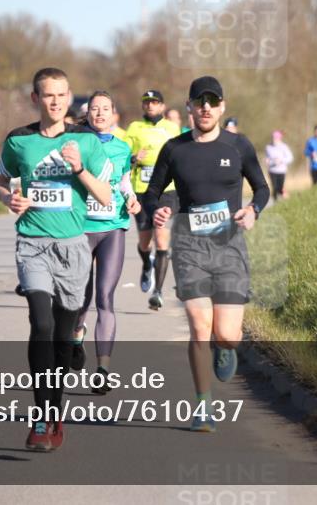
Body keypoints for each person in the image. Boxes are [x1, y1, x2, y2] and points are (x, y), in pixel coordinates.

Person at [0, 67, 112, 452]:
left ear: (69, 97)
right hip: (32, 244)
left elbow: (107, 198)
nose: (56, 101)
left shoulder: (85, 141)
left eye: (61, 95)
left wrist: (78, 168)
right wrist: (8, 198)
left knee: (63, 336)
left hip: (73, 247)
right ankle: (41, 416)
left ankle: (55, 412)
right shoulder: (19, 141)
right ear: (35, 99)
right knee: (40, 323)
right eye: (48, 95)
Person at [146, 76, 270, 432]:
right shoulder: (174, 149)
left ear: (222, 107)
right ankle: (203, 406)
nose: (205, 108)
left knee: (227, 334)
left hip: (229, 245)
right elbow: (153, 191)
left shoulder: (238, 146)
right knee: (200, 329)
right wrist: (157, 209)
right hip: (190, 244)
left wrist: (253, 210)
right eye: (199, 102)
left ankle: (225, 346)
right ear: (188, 106)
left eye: (212, 102)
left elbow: (261, 187)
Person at [71, 92, 142, 392]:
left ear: (114, 114)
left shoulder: (123, 148)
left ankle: (103, 369)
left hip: (113, 226)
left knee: (105, 298)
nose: (99, 113)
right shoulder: (75, 143)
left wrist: (132, 197)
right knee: (80, 299)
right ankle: (76, 334)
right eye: (94, 109)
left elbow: (124, 180)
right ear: (87, 114)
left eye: (105, 109)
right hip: (82, 228)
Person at [124, 89, 181, 309]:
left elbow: (181, 156)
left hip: (167, 191)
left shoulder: (172, 128)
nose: (150, 105)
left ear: (162, 106)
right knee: (145, 242)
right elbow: (123, 158)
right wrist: (133, 158)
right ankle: (146, 265)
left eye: (155, 102)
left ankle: (157, 292)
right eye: (146, 102)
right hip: (142, 190)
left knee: (162, 238)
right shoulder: (134, 128)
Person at [264, 130, 293, 202]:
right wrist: (268, 161)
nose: (274, 139)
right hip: (272, 171)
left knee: (280, 188)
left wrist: (281, 160)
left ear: (280, 138)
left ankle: (286, 196)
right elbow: (267, 158)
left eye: (276, 138)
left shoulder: (284, 147)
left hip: (281, 170)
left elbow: (290, 158)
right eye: (273, 138)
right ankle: (275, 202)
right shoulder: (268, 147)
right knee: (274, 187)